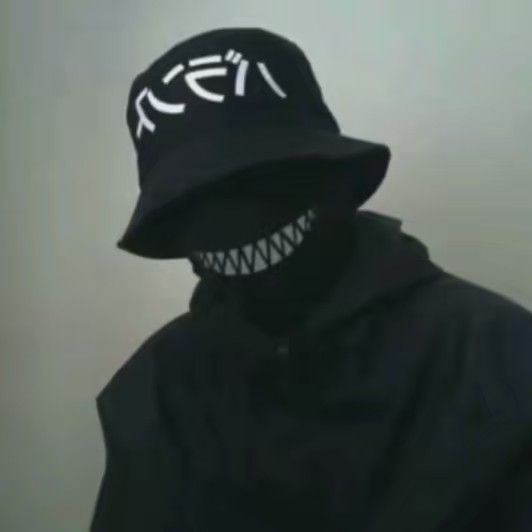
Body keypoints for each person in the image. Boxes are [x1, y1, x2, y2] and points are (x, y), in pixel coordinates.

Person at [91, 28, 532, 531]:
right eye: (197, 200)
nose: (231, 217)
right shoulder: (155, 391)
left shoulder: (499, 358)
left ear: (329, 175)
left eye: (262, 181)